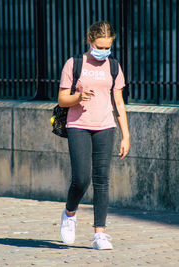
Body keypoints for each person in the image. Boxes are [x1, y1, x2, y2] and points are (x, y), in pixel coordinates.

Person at [57, 21, 130, 250]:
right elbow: (62, 100)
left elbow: (118, 102)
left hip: (105, 126)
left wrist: (125, 135)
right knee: (81, 178)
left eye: (108, 47)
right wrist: (78, 97)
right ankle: (69, 214)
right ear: (90, 41)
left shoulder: (114, 67)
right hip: (78, 125)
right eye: (99, 46)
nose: (104, 51)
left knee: (102, 180)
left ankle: (100, 233)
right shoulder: (74, 64)